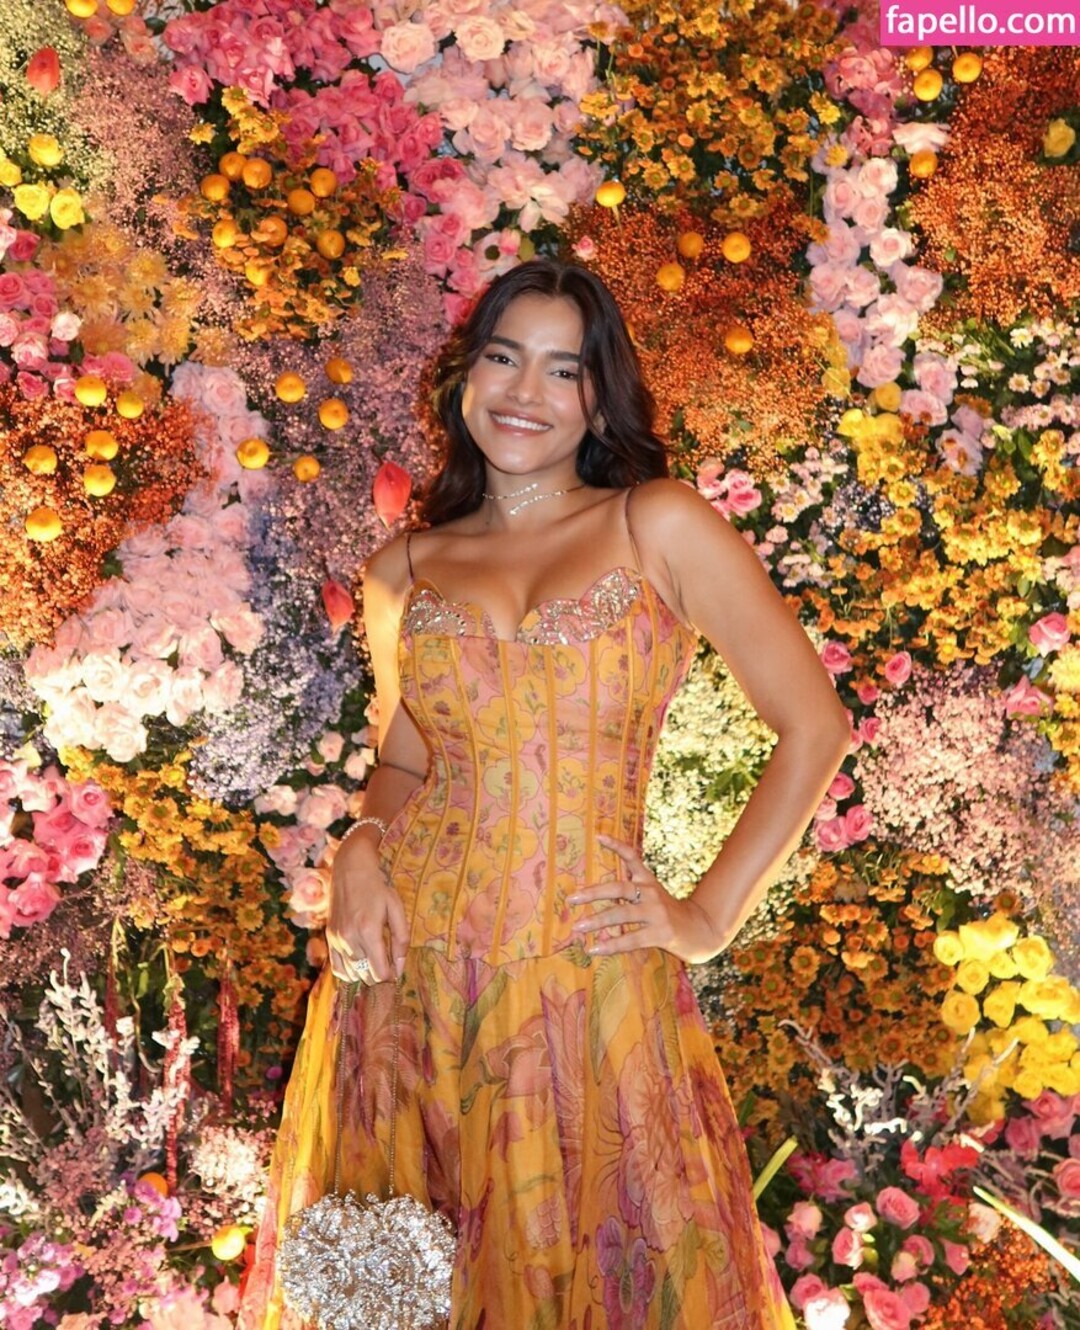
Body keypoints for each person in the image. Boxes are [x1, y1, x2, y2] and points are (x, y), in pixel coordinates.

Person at [240, 259, 851, 1329]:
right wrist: (359, 846)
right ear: (466, 376)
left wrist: (707, 918)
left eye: (564, 370)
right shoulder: (404, 569)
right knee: (406, 1299)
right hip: (411, 981)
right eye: (504, 357)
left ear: (599, 399)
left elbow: (816, 726)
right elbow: (406, 760)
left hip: (591, 984)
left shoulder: (656, 524)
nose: (526, 393)